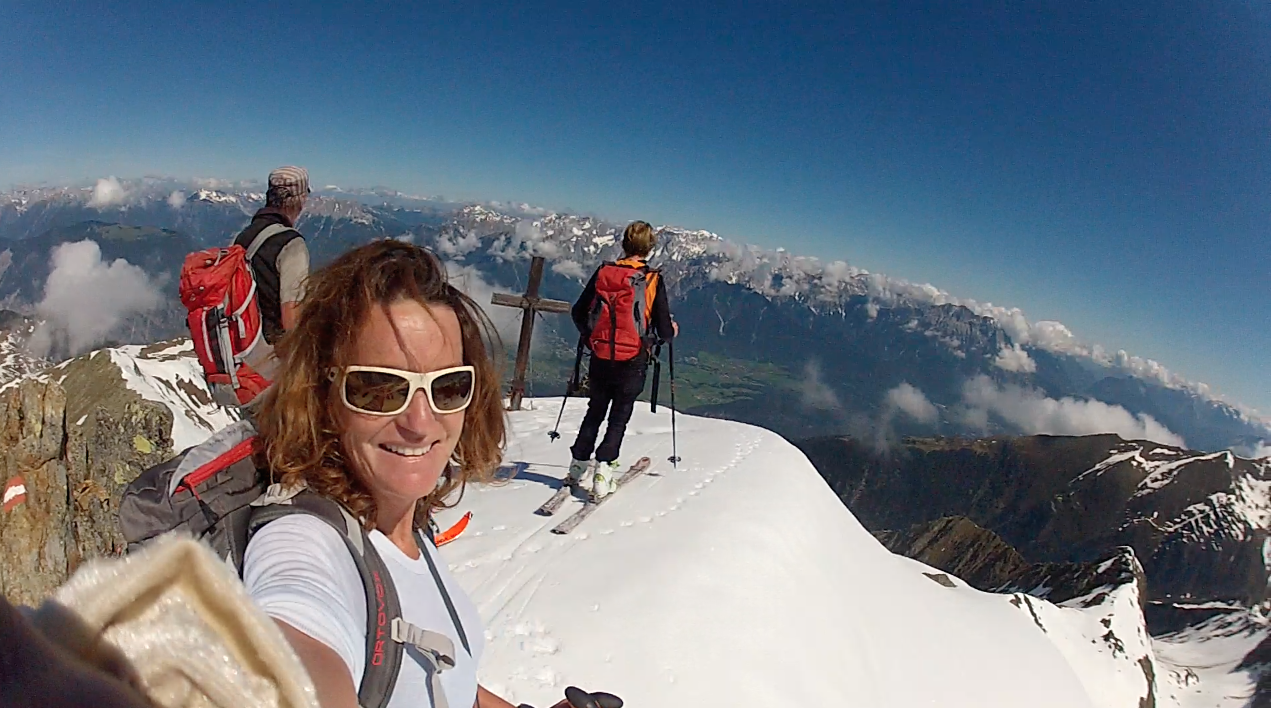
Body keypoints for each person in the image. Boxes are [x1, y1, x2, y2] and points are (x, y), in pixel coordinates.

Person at [240, 240, 519, 708]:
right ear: (323, 395)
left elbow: (448, 683)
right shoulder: (305, 541)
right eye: (379, 388)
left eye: (448, 387)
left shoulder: (406, 523)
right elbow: (292, 654)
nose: (420, 423)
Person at [567, 220, 677, 499]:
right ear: (650, 248)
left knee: (595, 409)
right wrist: (671, 331)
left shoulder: (604, 271)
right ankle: (603, 473)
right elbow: (664, 330)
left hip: (600, 353)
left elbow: (578, 311)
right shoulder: (651, 279)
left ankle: (577, 466)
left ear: (624, 244)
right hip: (633, 358)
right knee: (619, 416)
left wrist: (591, 337)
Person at [232, 165, 312, 383]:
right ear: (300, 199)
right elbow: (291, 316)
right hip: (270, 364)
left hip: (239, 354)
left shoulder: (245, 236)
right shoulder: (291, 244)